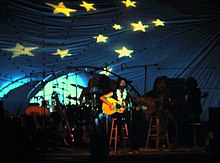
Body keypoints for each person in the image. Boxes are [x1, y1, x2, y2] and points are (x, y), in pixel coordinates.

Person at [100, 77, 131, 150]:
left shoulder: (127, 94)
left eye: (124, 82)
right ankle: (119, 136)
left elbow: (127, 105)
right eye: (121, 82)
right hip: (114, 111)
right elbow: (102, 97)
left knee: (128, 116)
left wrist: (127, 106)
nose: (123, 83)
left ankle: (128, 138)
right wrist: (110, 104)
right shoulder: (113, 92)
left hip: (123, 112)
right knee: (119, 117)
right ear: (118, 83)